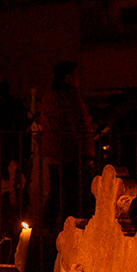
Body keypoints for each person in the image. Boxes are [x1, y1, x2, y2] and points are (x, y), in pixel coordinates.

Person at [40, 61, 95, 227]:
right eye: (77, 75)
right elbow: (79, 124)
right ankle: (70, 229)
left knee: (57, 192)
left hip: (54, 153)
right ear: (68, 77)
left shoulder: (48, 97)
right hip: (73, 153)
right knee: (74, 196)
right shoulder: (70, 97)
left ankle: (49, 227)